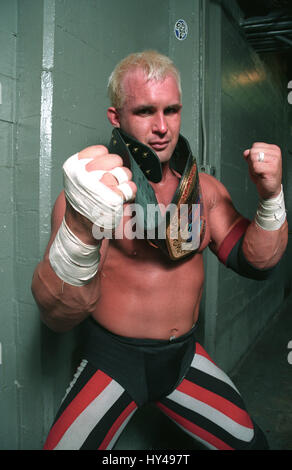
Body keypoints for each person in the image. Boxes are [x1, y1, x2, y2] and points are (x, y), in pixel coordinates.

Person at [32, 50, 288, 450]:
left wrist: (271, 199)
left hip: (183, 360)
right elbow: (57, 316)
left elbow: (258, 261)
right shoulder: (93, 199)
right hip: (113, 360)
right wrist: (80, 230)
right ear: (116, 118)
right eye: (145, 111)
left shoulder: (207, 192)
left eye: (171, 110)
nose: (162, 127)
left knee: (252, 445)